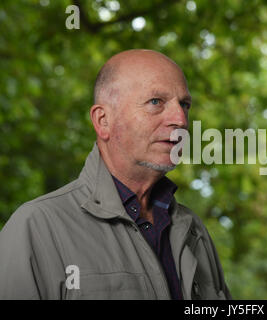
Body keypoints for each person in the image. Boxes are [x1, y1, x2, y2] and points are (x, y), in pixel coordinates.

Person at [0, 49, 231, 300]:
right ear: (103, 121)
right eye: (156, 102)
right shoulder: (36, 226)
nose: (180, 120)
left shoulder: (193, 230)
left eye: (184, 104)